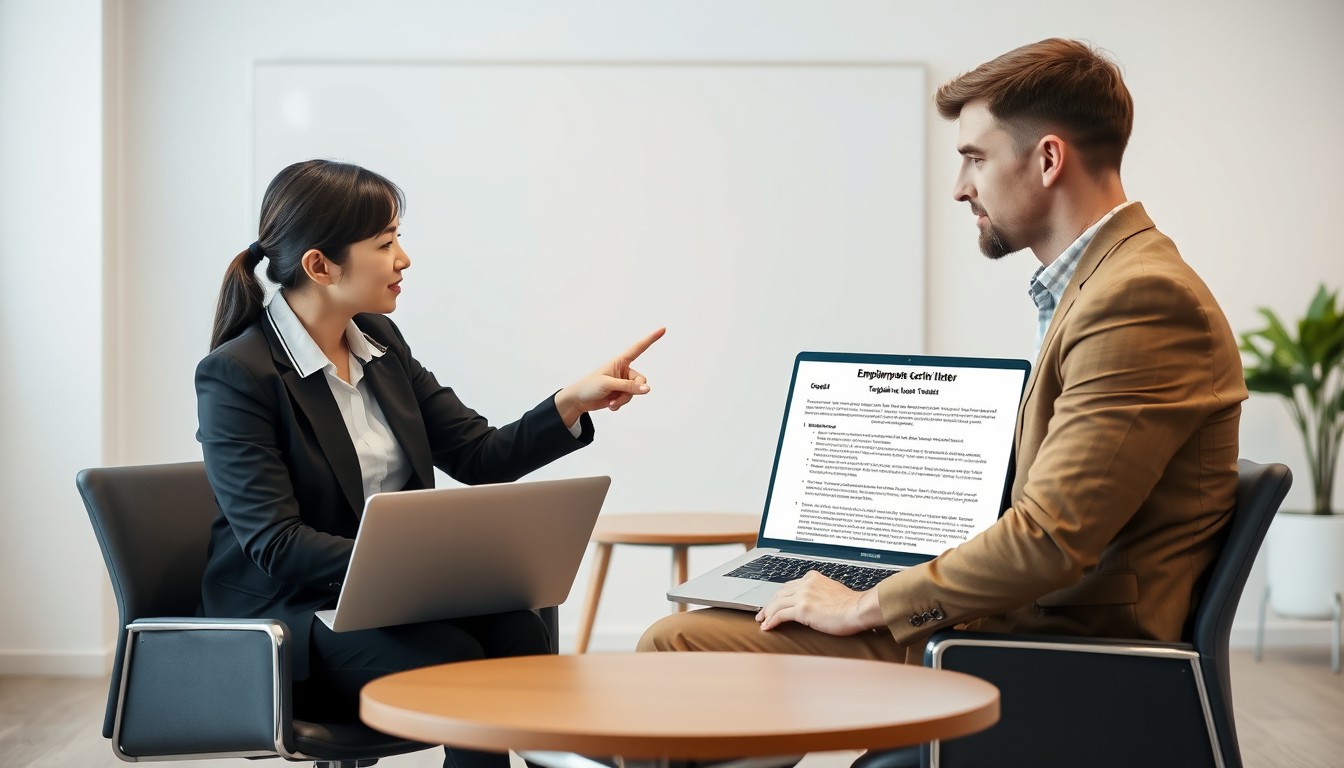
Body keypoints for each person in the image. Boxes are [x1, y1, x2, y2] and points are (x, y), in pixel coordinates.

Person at [639, 38, 1246, 664]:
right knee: (741, 623)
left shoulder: (1140, 299)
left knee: (679, 643)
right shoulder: (1103, 283)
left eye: (975, 159)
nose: (960, 189)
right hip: (1022, 616)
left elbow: (1049, 540)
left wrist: (862, 604)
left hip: (1060, 651)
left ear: (1047, 159)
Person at [196, 158, 663, 768]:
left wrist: (571, 403)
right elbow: (277, 545)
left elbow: (478, 454)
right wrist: (416, 566)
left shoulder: (381, 346)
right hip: (288, 616)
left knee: (522, 633)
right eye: (386, 243)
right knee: (458, 664)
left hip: (387, 599)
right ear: (320, 265)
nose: (404, 260)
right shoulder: (238, 374)